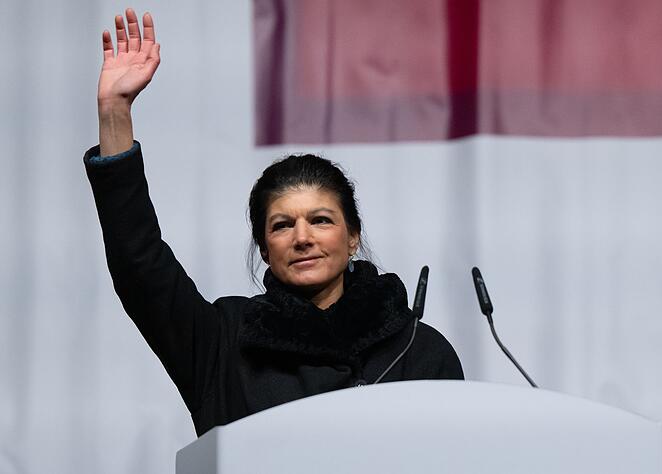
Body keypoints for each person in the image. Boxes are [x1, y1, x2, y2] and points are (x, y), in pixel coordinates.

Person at [84, 9, 463, 436]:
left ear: (353, 236)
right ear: (265, 247)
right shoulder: (224, 341)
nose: (302, 238)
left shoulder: (418, 349)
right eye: (282, 225)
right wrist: (114, 110)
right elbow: (140, 266)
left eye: (320, 220)